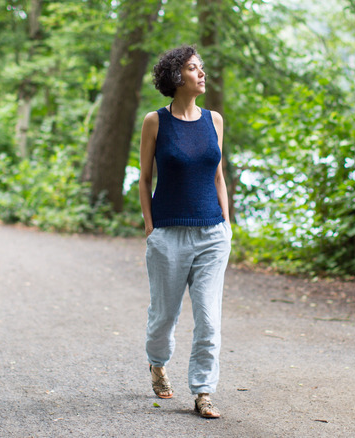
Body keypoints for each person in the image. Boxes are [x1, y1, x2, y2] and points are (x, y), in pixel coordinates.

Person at [138, 45, 232, 419]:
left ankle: (204, 391)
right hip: (168, 235)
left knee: (209, 318)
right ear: (177, 78)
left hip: (212, 234)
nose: (201, 73)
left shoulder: (215, 120)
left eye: (201, 68)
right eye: (194, 69)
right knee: (164, 316)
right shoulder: (155, 122)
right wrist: (150, 227)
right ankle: (157, 362)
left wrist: (226, 223)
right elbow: (144, 179)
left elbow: (218, 175)